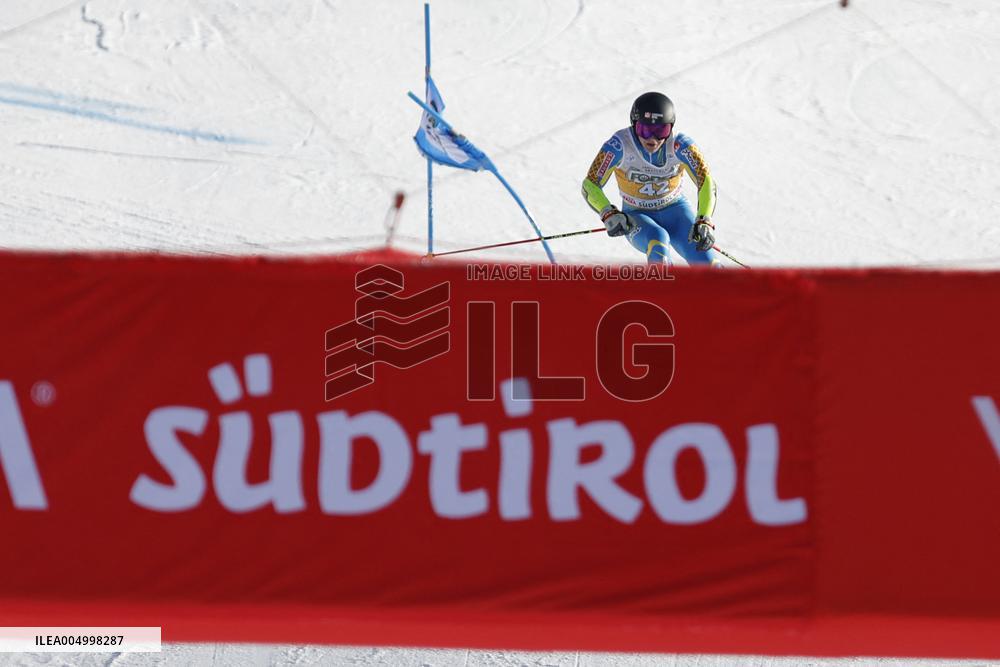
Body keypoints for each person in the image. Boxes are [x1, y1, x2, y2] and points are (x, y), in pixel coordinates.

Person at [581, 92, 719, 266]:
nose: (652, 139)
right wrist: (608, 212)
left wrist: (704, 219)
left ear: (671, 128)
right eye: (644, 130)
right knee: (658, 241)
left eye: (661, 131)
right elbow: (590, 183)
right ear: (634, 125)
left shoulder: (682, 145)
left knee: (709, 264)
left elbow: (706, 180)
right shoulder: (619, 145)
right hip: (637, 215)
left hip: (676, 211)